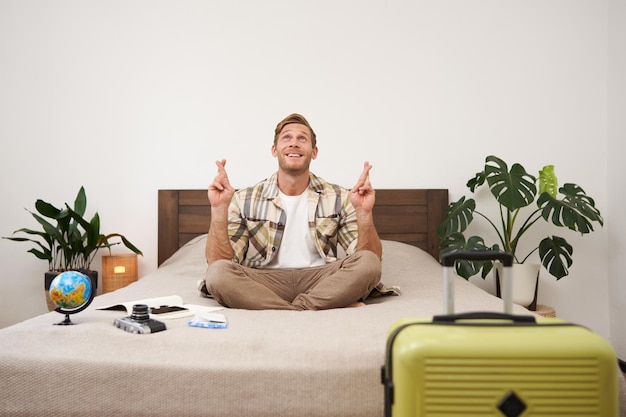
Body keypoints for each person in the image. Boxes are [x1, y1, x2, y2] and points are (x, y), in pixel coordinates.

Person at [204, 113, 383, 310]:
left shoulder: (340, 196)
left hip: (322, 278)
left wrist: (364, 213)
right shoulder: (245, 198)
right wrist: (219, 209)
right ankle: (311, 306)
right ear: (275, 150)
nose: (294, 144)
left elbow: (369, 257)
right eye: (287, 137)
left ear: (314, 152)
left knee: (369, 263)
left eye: (302, 139)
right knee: (217, 273)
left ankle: (286, 308)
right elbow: (220, 262)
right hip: (265, 282)